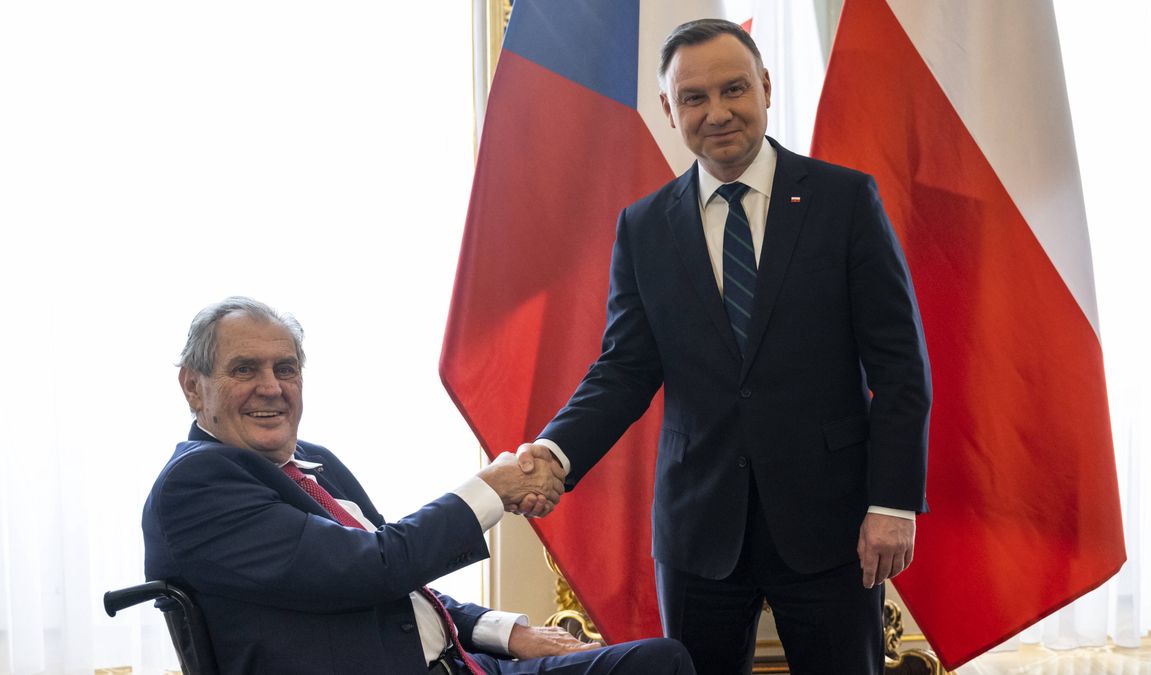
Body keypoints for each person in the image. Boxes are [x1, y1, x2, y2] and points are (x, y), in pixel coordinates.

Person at [516, 19, 932, 675]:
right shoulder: (644, 226)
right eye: (694, 98)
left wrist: (892, 502)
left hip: (831, 524)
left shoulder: (843, 200)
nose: (718, 113)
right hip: (698, 531)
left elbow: (901, 367)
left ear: (765, 88)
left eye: (734, 89)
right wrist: (556, 451)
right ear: (669, 109)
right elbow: (624, 369)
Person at [143, 296, 696, 675]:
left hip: (464, 661)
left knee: (659, 661)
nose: (271, 388)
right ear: (193, 388)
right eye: (245, 371)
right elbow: (371, 566)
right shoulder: (199, 484)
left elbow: (401, 583)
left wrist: (507, 632)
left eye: (285, 369)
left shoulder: (312, 462)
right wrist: (489, 490)